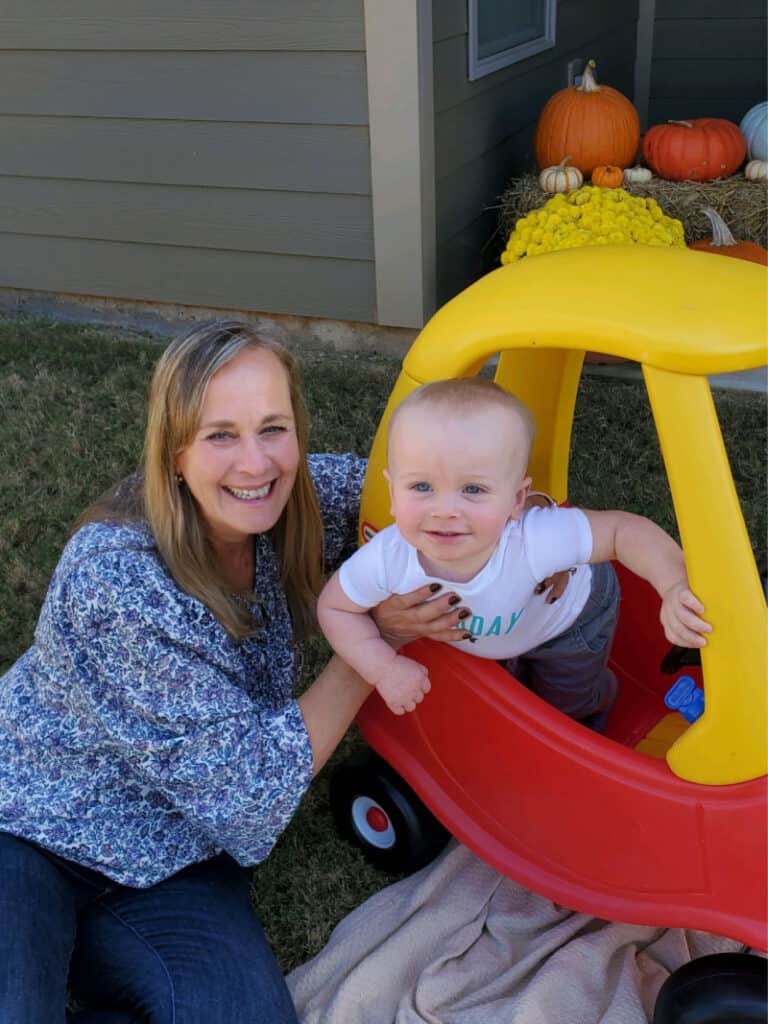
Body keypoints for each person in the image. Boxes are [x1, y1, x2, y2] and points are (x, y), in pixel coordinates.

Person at [0, 322, 472, 1024]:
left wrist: (532, 539)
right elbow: (250, 791)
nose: (256, 464)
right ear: (175, 451)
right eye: (221, 435)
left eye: (273, 428)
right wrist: (371, 643)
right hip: (32, 824)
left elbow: (413, 495)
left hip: (173, 850)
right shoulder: (116, 580)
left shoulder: (290, 504)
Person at [317, 377, 711, 726]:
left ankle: (598, 701)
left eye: (472, 489)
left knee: (566, 704)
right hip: (510, 622)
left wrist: (674, 584)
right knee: (514, 692)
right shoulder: (388, 558)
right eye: (421, 487)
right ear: (392, 491)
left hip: (568, 623)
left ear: (516, 499)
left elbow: (625, 530)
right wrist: (383, 667)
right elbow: (334, 608)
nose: (444, 510)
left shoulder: (532, 540)